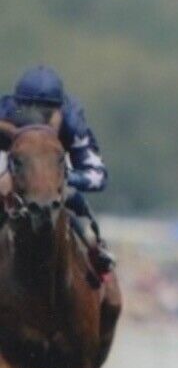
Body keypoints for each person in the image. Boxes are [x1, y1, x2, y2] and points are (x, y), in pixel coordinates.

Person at [0, 64, 115, 273]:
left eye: (45, 113)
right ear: (17, 106)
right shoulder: (6, 112)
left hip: (58, 180)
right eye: (27, 111)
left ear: (60, 110)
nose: (35, 119)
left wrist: (57, 178)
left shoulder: (72, 123)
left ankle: (96, 254)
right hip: (13, 170)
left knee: (75, 201)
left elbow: (98, 175)